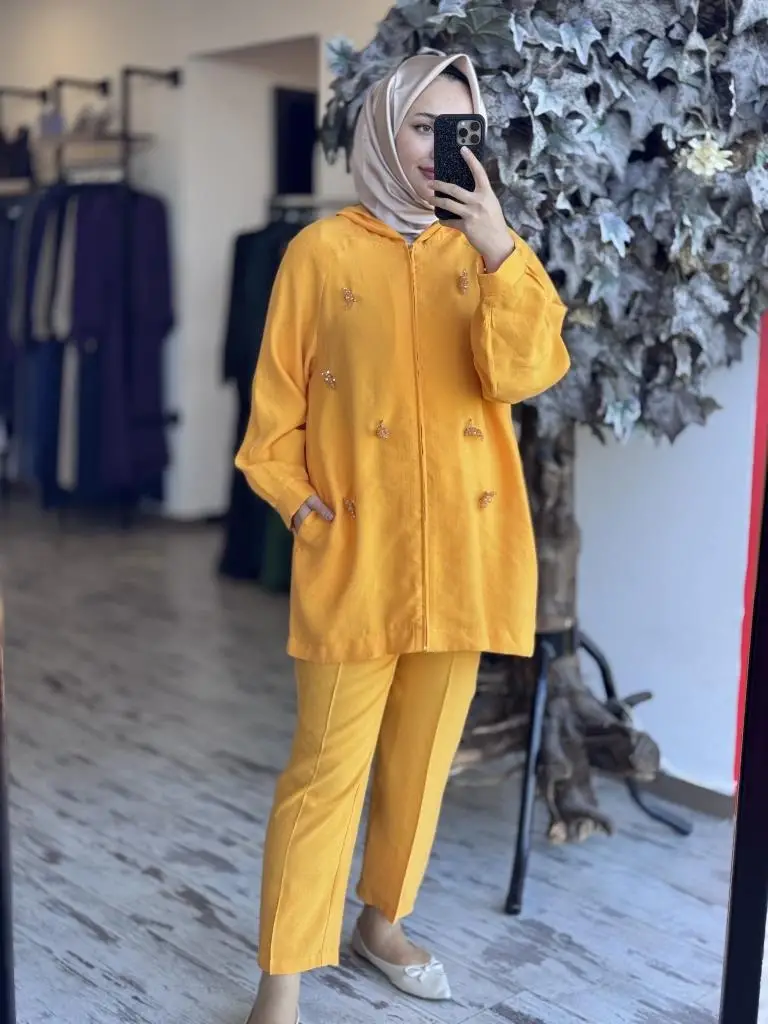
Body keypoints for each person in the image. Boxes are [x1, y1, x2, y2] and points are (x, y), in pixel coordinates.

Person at [235, 51, 570, 1024]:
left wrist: (499, 248)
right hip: (356, 552)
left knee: (423, 762)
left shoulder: (491, 253)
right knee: (324, 772)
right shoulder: (319, 252)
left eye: (459, 128)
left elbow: (527, 373)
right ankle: (281, 981)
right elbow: (272, 420)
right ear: (384, 130)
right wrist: (302, 508)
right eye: (423, 125)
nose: (438, 148)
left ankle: (383, 923)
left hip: (465, 552)